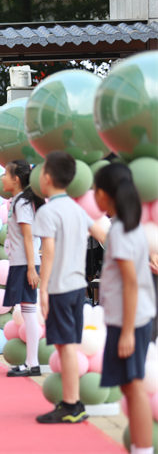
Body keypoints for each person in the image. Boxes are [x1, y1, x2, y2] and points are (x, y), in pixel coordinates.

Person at [34, 151, 105, 424]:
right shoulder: (78, 209)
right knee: (69, 345)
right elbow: (102, 234)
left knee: (65, 347)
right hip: (77, 286)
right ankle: (72, 403)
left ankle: (72, 404)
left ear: (48, 177)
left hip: (60, 288)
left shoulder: (48, 211)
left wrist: (44, 289)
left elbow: (48, 252)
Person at [93, 163, 155, 453]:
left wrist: (128, 331)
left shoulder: (120, 230)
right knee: (131, 387)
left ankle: (142, 448)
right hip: (131, 316)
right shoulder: (129, 225)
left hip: (130, 320)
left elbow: (130, 283)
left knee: (133, 387)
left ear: (106, 195)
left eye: (95, 191)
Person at [1, 160, 45, 377]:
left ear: (16, 179)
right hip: (20, 262)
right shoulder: (18, 200)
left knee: (29, 313)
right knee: (27, 312)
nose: (2, 179)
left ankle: (33, 363)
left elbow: (29, 236)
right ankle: (31, 362)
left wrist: (31, 268)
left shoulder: (23, 203)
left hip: (24, 263)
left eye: (5, 174)